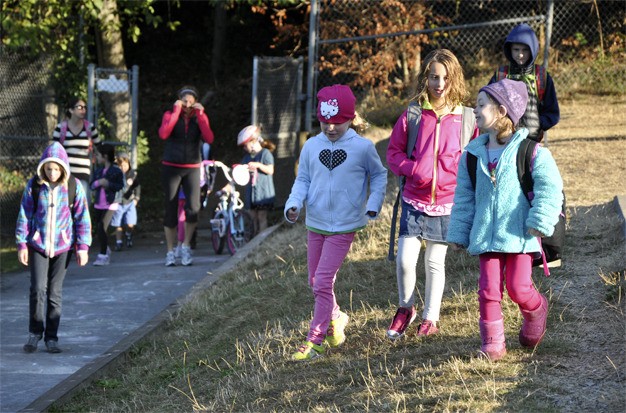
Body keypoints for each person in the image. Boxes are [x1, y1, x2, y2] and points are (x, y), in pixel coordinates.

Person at [447, 79, 563, 360]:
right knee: (488, 290)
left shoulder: (531, 151)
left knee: (518, 287)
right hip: (486, 235)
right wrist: (460, 232)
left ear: (502, 111)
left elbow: (550, 188)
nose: (475, 110)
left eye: (481, 105)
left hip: (520, 235)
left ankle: (536, 311)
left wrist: (539, 220)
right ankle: (492, 344)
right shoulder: (472, 155)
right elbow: (464, 197)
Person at [284, 84, 387, 361]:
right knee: (314, 281)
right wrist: (293, 204)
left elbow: (379, 176)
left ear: (351, 118)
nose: (330, 128)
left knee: (323, 281)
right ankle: (337, 317)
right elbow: (303, 179)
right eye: (325, 121)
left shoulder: (362, 148)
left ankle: (315, 341)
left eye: (337, 122)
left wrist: (373, 205)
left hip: (344, 225)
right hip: (315, 222)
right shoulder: (311, 146)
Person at [385, 49, 478, 341]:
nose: (440, 84)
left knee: (435, 263)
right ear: (426, 78)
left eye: (446, 78)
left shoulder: (467, 119)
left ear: (455, 80)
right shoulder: (412, 114)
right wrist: (413, 168)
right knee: (404, 260)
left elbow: (475, 158)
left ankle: (431, 317)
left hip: (447, 203)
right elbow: (393, 153)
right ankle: (406, 308)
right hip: (414, 199)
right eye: (434, 77)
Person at [16, 142, 92, 353]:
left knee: (54, 292)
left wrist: (82, 246)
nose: (52, 172)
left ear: (63, 168)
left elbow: (82, 217)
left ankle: (52, 337)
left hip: (63, 246)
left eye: (56, 168)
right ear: (43, 167)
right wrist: (22, 243)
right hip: (38, 245)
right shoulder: (35, 186)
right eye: (48, 168)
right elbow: (25, 214)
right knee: (38, 289)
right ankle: (34, 333)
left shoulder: (73, 187)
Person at [158, 86, 214, 266]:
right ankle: (170, 250)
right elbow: (164, 133)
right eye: (184, 101)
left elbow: (209, 138)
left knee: (193, 207)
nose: (188, 104)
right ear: (179, 101)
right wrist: (176, 111)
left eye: (191, 101)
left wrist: (201, 115)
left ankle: (186, 246)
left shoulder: (199, 118)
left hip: (192, 166)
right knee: (170, 208)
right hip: (171, 166)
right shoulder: (170, 114)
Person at [488, 23, 560, 142]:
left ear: (533, 50)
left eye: (525, 50)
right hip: (504, 139)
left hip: (532, 140)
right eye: (516, 50)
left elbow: (552, 111)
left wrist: (538, 124)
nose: (520, 54)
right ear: (509, 49)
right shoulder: (500, 75)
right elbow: (488, 104)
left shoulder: (541, 76)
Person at [51, 97, 101, 200]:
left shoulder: (90, 128)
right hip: (65, 174)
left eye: (84, 107)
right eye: (79, 107)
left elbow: (101, 147)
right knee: (64, 203)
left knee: (82, 204)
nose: (83, 110)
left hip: (83, 174)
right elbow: (54, 150)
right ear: (71, 110)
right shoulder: (60, 128)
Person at [237, 125, 276, 235]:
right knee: (252, 218)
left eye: (246, 145)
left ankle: (261, 241)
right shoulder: (247, 157)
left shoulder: (265, 153)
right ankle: (253, 240)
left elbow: (270, 170)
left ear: (253, 141)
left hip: (263, 194)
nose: (245, 148)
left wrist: (258, 165)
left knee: (261, 217)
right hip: (251, 195)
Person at [90, 144, 124, 266]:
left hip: (111, 203)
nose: (97, 157)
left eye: (98, 155)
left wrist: (108, 184)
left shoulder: (116, 171)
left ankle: (103, 254)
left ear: (105, 156)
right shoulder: (98, 171)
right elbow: (91, 185)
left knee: (101, 227)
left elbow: (120, 186)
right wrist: (99, 183)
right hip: (99, 203)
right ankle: (106, 249)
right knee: (100, 230)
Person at [111, 152, 141, 251]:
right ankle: (118, 242)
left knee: (130, 223)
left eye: (125, 165)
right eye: (120, 166)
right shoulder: (115, 175)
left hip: (129, 202)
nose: (123, 167)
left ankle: (128, 234)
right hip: (118, 203)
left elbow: (137, 186)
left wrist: (136, 198)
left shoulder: (132, 174)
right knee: (118, 223)